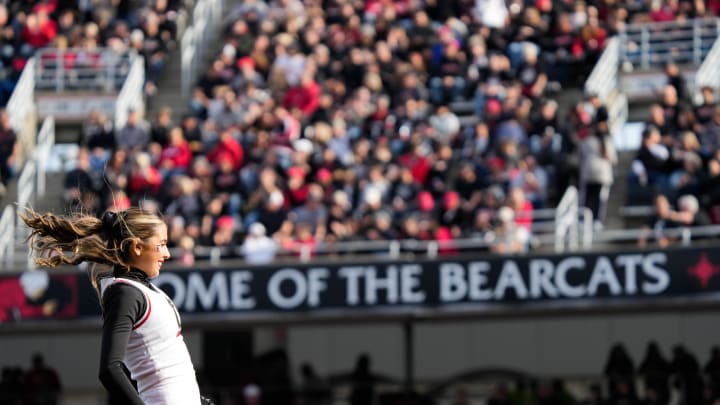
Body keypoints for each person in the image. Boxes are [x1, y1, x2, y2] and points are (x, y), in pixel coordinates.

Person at [20, 207, 212, 405]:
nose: (167, 253)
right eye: (161, 244)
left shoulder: (145, 289)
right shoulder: (124, 293)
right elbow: (110, 369)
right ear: (137, 247)